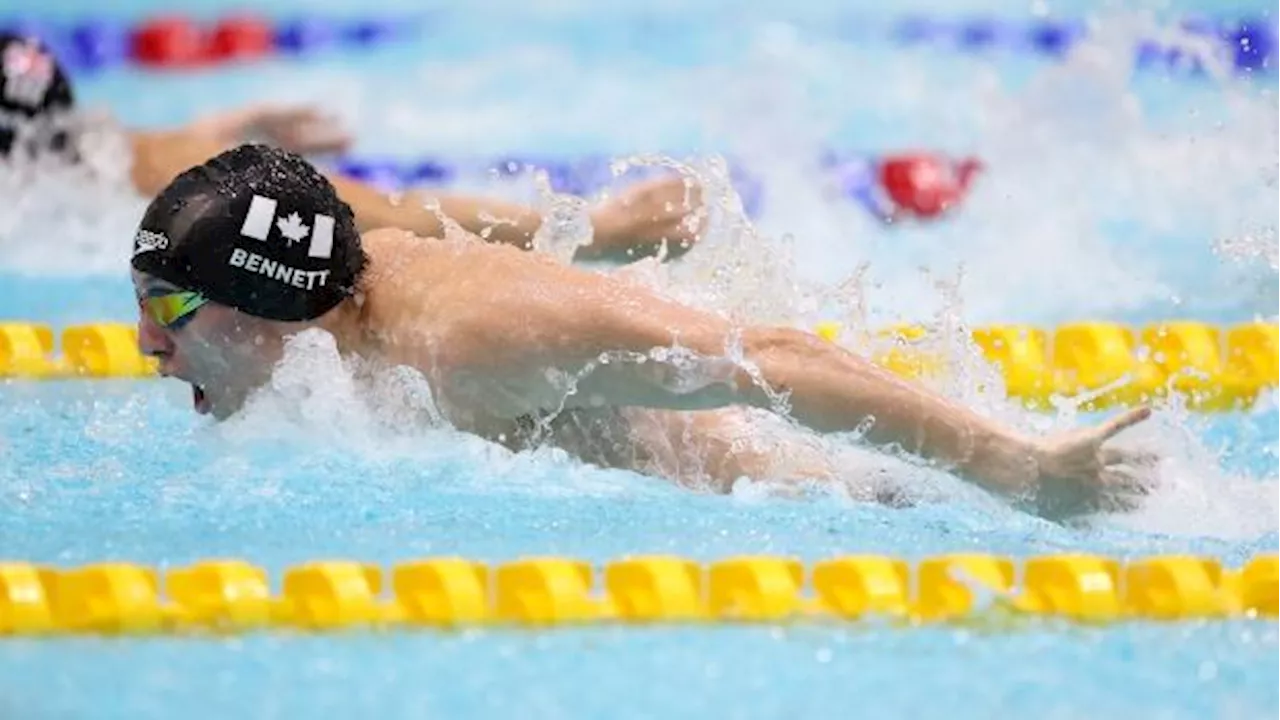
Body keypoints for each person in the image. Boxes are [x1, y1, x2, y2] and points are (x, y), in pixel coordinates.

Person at [130, 143, 1158, 522]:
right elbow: (372, 197)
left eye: (171, 311)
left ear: (267, 302)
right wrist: (613, 230)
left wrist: (1013, 468)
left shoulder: (469, 338)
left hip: (800, 488)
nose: (146, 347)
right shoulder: (333, 265)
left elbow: (769, 362)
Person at [1, 31, 703, 263]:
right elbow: (362, 211)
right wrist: (588, 232)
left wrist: (223, 128)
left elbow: (94, 154)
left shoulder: (74, 170)